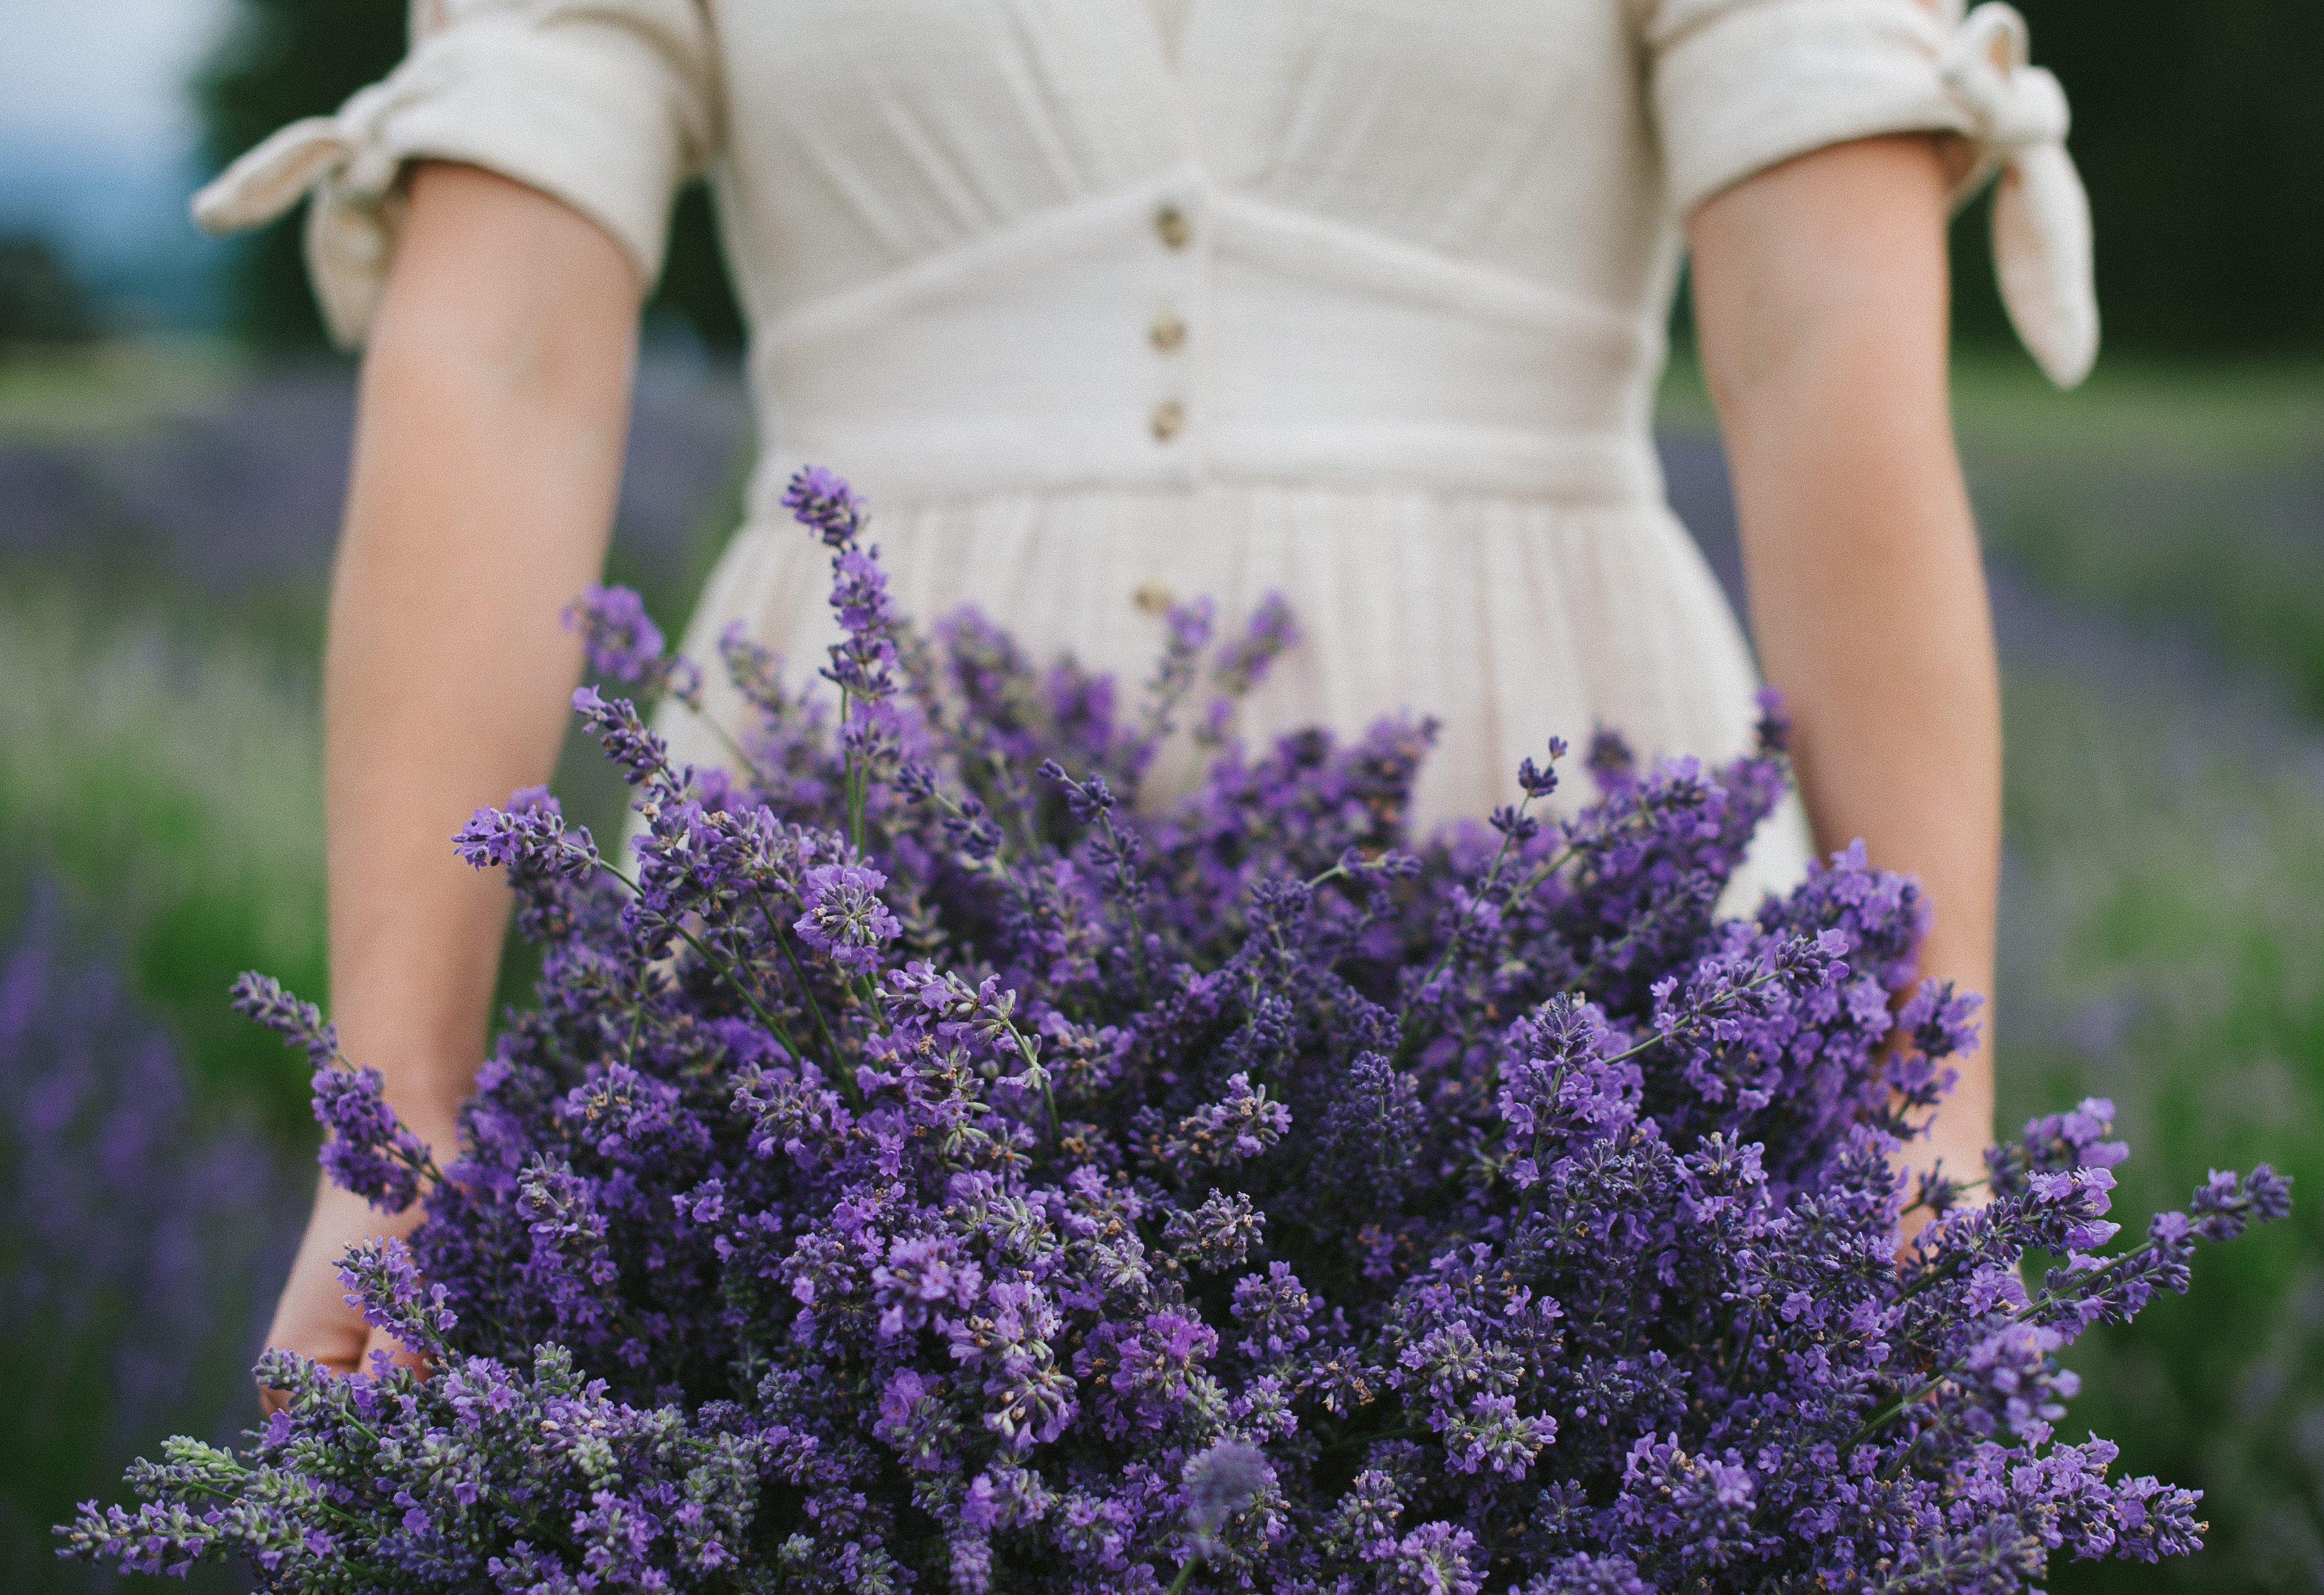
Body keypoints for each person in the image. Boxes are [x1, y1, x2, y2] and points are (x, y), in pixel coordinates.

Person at [197, 0, 2095, 1385]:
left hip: (1563, 864)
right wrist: (404, 1115)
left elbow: (1820, 345)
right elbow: (502, 361)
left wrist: (1925, 1102)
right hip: (843, 927)